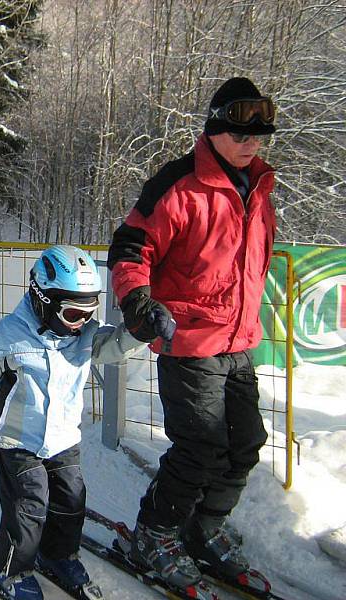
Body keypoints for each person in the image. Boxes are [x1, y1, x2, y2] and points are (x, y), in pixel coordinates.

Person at [107, 77, 277, 594]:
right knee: (199, 446)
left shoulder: (260, 187)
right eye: (241, 132)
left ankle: (202, 530)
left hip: (240, 340)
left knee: (245, 442)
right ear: (215, 127)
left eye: (260, 134)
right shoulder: (180, 183)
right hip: (189, 340)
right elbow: (131, 248)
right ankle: (155, 535)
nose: (252, 142)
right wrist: (138, 303)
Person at [0, 245, 145, 600]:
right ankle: (5, 567)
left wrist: (140, 331)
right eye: (73, 313)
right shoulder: (12, 335)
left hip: (62, 438)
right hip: (17, 441)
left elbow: (114, 345)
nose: (82, 323)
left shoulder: (83, 335)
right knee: (29, 504)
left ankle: (58, 554)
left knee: (72, 498)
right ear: (43, 300)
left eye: (89, 312)